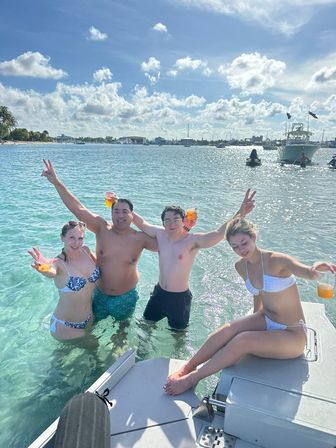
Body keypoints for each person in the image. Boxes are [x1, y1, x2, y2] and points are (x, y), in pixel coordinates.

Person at [164, 217, 336, 394]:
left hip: (292, 333)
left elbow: (307, 272)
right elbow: (258, 294)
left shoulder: (277, 261)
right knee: (226, 330)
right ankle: (188, 367)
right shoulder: (241, 266)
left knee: (242, 340)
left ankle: (192, 379)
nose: (241, 250)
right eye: (235, 247)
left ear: (253, 237)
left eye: (244, 243)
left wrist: (317, 268)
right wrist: (255, 320)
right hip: (266, 317)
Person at [40, 160, 157, 322]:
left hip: (125, 297)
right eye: (116, 211)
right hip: (99, 295)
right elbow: (78, 208)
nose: (120, 215)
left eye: (125, 212)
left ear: (132, 215)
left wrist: (184, 229)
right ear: (111, 213)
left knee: (121, 336)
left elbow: (167, 244)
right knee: (92, 333)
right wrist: (57, 182)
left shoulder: (141, 238)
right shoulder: (102, 228)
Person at [132, 190, 256, 330]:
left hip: (180, 299)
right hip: (159, 293)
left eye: (176, 219)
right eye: (167, 220)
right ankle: (142, 352)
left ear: (183, 220)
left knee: (178, 336)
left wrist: (242, 212)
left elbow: (219, 233)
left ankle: (176, 354)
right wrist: (120, 205)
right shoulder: (160, 234)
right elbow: (141, 223)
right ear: (163, 223)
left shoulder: (192, 241)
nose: (171, 224)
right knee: (145, 325)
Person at [28, 221, 100, 340]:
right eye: (71, 237)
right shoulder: (58, 263)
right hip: (65, 327)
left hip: (89, 319)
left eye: (80, 238)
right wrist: (44, 269)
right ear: (62, 238)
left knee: (90, 356)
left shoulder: (86, 251)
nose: (76, 243)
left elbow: (102, 267)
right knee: (95, 351)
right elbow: (51, 272)